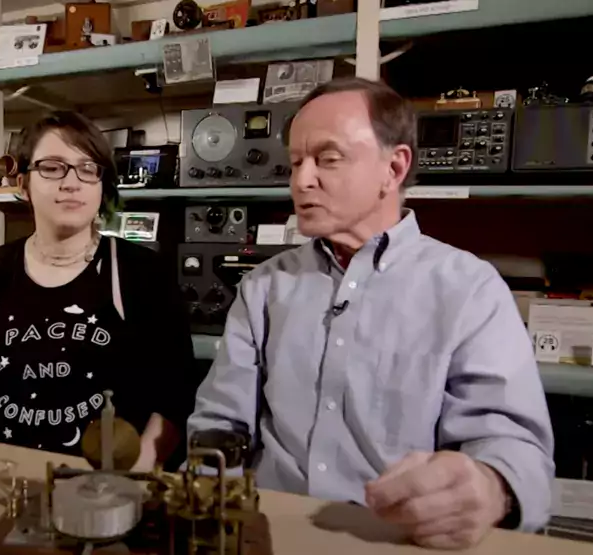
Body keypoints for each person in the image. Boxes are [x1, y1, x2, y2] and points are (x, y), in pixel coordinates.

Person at [187, 78, 554, 549]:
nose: (301, 180)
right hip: (264, 531)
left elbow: (515, 449)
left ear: (394, 167)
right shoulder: (263, 286)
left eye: (328, 159)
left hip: (397, 540)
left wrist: (490, 486)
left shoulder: (469, 289)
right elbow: (220, 420)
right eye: (296, 162)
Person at [0, 111, 199, 470]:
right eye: (51, 167)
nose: (71, 182)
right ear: (22, 182)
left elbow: (175, 396)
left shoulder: (143, 274)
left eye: (87, 168)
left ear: (101, 185)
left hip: (111, 490)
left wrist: (133, 478)